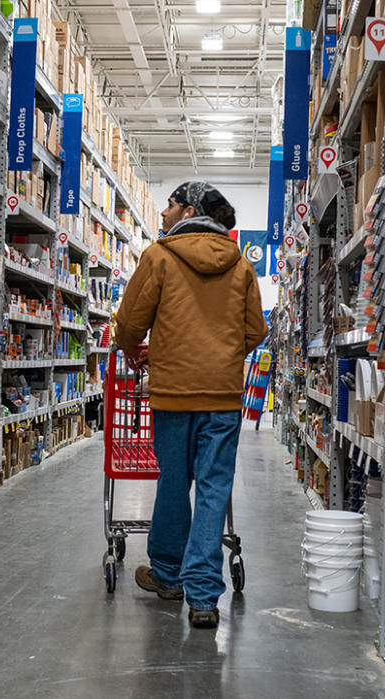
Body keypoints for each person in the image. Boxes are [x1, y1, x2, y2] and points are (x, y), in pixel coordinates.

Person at [113, 181, 268, 629]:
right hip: (221, 395)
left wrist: (131, 347)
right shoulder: (240, 264)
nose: (163, 213)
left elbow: (130, 322)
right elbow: (255, 330)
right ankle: (203, 597)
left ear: (187, 210)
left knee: (174, 481)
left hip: (172, 392)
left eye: (169, 204)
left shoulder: (159, 256)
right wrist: (221, 354)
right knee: (214, 489)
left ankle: (167, 575)